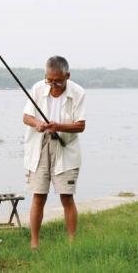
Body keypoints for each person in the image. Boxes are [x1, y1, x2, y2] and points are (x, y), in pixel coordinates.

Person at [23, 55, 86, 249]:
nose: (53, 84)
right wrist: (39, 124)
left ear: (67, 75)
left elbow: (80, 126)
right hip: (40, 147)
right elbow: (27, 117)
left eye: (57, 80)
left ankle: (72, 244)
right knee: (38, 195)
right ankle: (34, 244)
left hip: (65, 148)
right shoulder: (38, 88)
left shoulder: (78, 92)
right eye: (49, 80)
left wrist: (58, 126)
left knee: (67, 196)